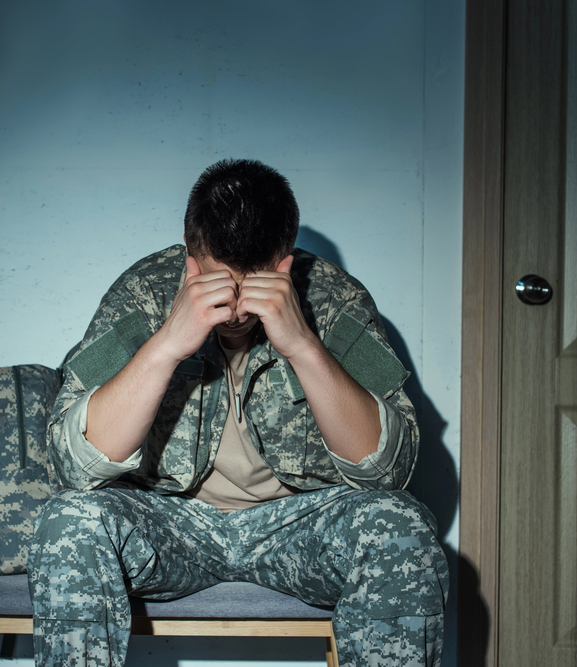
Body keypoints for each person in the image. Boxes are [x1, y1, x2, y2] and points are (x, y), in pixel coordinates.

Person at [30, 159, 448, 666]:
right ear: (190, 264)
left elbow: (390, 473)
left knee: (402, 526)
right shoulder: (144, 292)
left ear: (284, 264)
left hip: (298, 524)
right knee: (68, 520)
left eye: (251, 285)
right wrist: (167, 346)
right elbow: (70, 467)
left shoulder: (335, 298)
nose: (234, 311)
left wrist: (301, 345)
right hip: (173, 523)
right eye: (214, 282)